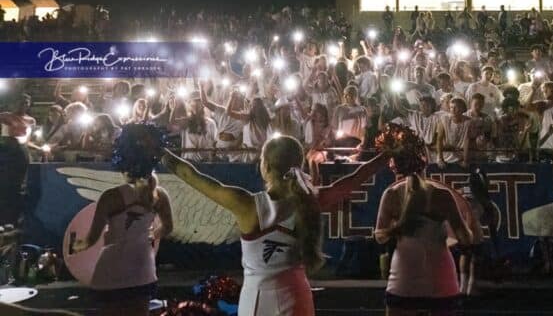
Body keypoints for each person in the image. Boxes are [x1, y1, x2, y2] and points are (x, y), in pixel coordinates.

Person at [162, 135, 390, 316]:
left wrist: (157, 150)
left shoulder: (247, 205)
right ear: (299, 166)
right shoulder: (312, 200)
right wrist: (387, 154)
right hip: (298, 296)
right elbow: (356, 178)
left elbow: (189, 174)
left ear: (266, 166)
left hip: (258, 301)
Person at [71, 125, 174, 316]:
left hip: (111, 270)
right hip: (142, 266)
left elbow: (90, 240)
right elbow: (167, 227)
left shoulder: (110, 196)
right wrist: (151, 235)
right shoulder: (159, 195)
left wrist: (77, 246)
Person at [375, 131, 472, 315]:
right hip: (441, 279)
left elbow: (379, 236)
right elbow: (465, 238)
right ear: (424, 161)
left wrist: (397, 230)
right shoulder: (442, 195)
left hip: (403, 278)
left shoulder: (391, 195)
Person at [436, 98, 472, 168]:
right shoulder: (444, 119)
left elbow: (466, 141)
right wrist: (440, 159)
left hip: (460, 157)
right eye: (451, 107)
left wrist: (465, 160)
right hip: (445, 156)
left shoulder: (468, 122)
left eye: (456, 107)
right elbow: (439, 139)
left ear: (462, 109)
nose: (453, 110)